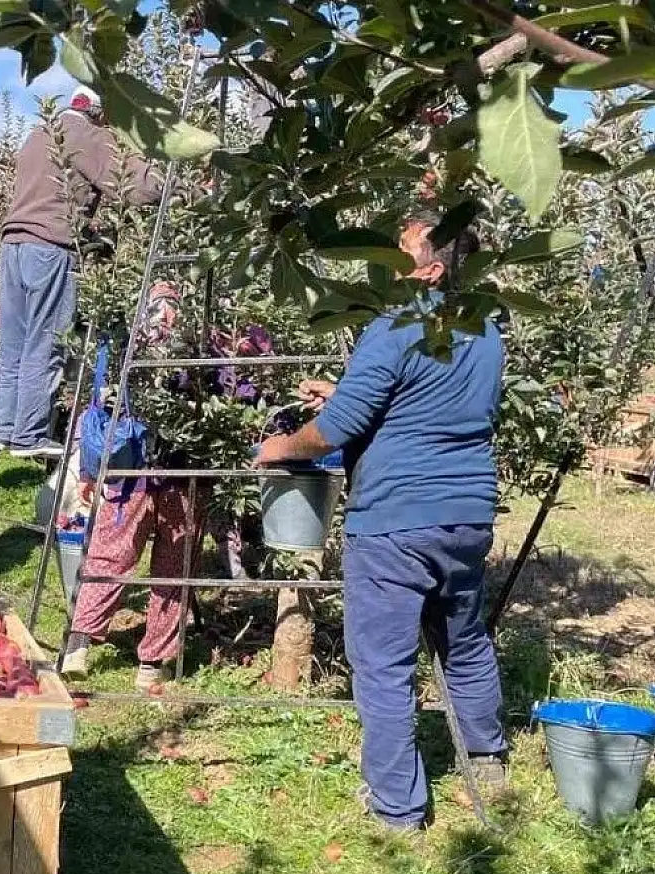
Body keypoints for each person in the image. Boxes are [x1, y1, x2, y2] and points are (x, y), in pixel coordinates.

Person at [256, 217, 506, 831]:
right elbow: (434, 403)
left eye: (402, 252)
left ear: (431, 268)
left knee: (384, 665)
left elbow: (334, 433)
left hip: (395, 520)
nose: (389, 262)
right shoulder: (488, 331)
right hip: (468, 512)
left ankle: (398, 807)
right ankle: (489, 760)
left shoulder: (396, 327)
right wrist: (346, 391)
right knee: (464, 639)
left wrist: (283, 446)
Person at [0, 88, 163, 458]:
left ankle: (5, 429)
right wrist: (176, 183)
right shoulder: (88, 135)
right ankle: (29, 436)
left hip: (13, 246)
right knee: (47, 340)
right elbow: (129, 183)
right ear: (101, 112)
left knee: (15, 346)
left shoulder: (40, 133)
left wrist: (91, 235)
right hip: (50, 248)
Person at [63, 283, 200, 685]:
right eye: (159, 304)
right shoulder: (128, 350)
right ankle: (81, 640)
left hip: (179, 470)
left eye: (171, 305)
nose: (165, 314)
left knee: (172, 566)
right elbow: (97, 410)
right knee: (111, 553)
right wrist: (90, 468)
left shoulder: (196, 351)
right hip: (135, 471)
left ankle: (151, 660)